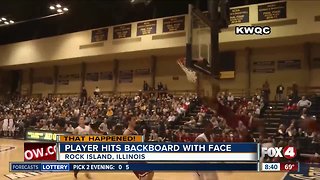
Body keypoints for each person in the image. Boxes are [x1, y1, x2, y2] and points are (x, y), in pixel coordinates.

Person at [123, 116, 154, 180]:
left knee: (150, 172)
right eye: (134, 119)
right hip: (133, 158)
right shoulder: (127, 133)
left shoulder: (135, 132)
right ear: (129, 121)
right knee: (145, 175)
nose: (135, 121)